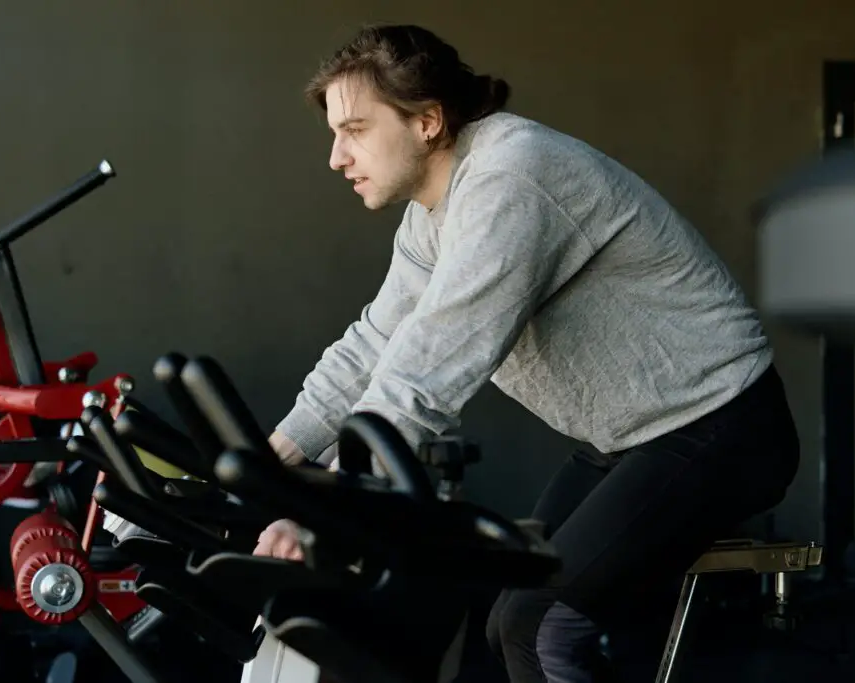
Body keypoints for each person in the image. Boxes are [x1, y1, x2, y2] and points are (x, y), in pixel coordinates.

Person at [253, 23, 801, 683]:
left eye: (356, 129)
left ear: (427, 121)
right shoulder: (434, 215)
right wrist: (268, 465)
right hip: (627, 439)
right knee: (501, 610)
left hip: (721, 427)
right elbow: (374, 345)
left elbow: (426, 369)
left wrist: (324, 510)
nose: (336, 156)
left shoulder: (510, 176)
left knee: (536, 621)